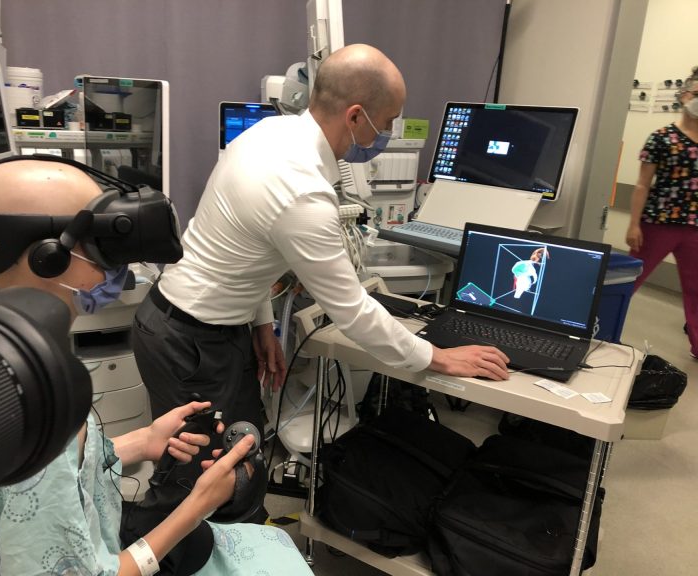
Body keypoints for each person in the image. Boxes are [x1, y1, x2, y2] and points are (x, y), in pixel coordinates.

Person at [132, 43, 510, 502]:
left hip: (204, 326)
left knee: (242, 457)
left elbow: (244, 247)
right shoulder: (303, 191)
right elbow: (352, 311)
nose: (388, 131)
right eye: (387, 122)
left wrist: (261, 325)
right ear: (355, 116)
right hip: (189, 339)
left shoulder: (271, 132)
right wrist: (438, 357)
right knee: (196, 483)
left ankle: (239, 548)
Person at [0, 157, 314, 575]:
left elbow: (44, 487)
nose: (117, 266)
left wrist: (140, 442)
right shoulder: (44, 407)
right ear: (48, 256)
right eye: (101, 247)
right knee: (194, 533)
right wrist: (197, 505)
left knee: (196, 544)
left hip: (90, 533)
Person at [626, 66, 698, 359]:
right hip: (658, 223)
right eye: (697, 93)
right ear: (683, 96)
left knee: (696, 290)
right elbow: (643, 184)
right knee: (628, 280)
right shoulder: (661, 138)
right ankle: (595, 329)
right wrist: (634, 224)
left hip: (695, 228)